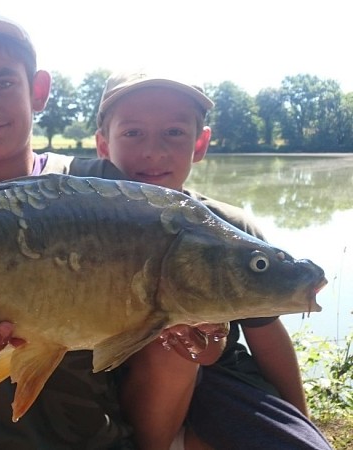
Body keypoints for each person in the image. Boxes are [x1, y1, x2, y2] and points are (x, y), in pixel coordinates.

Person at [0, 11, 216, 449]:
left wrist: (200, 332)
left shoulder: (101, 183)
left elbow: (184, 338)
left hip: (91, 437)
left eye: (3, 84)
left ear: (38, 91)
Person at [94, 70, 333, 449]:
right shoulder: (83, 222)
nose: (153, 150)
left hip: (214, 378)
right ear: (103, 144)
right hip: (112, 378)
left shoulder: (230, 227)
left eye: (173, 132)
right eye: (133, 133)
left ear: (200, 143)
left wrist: (301, 422)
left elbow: (268, 338)